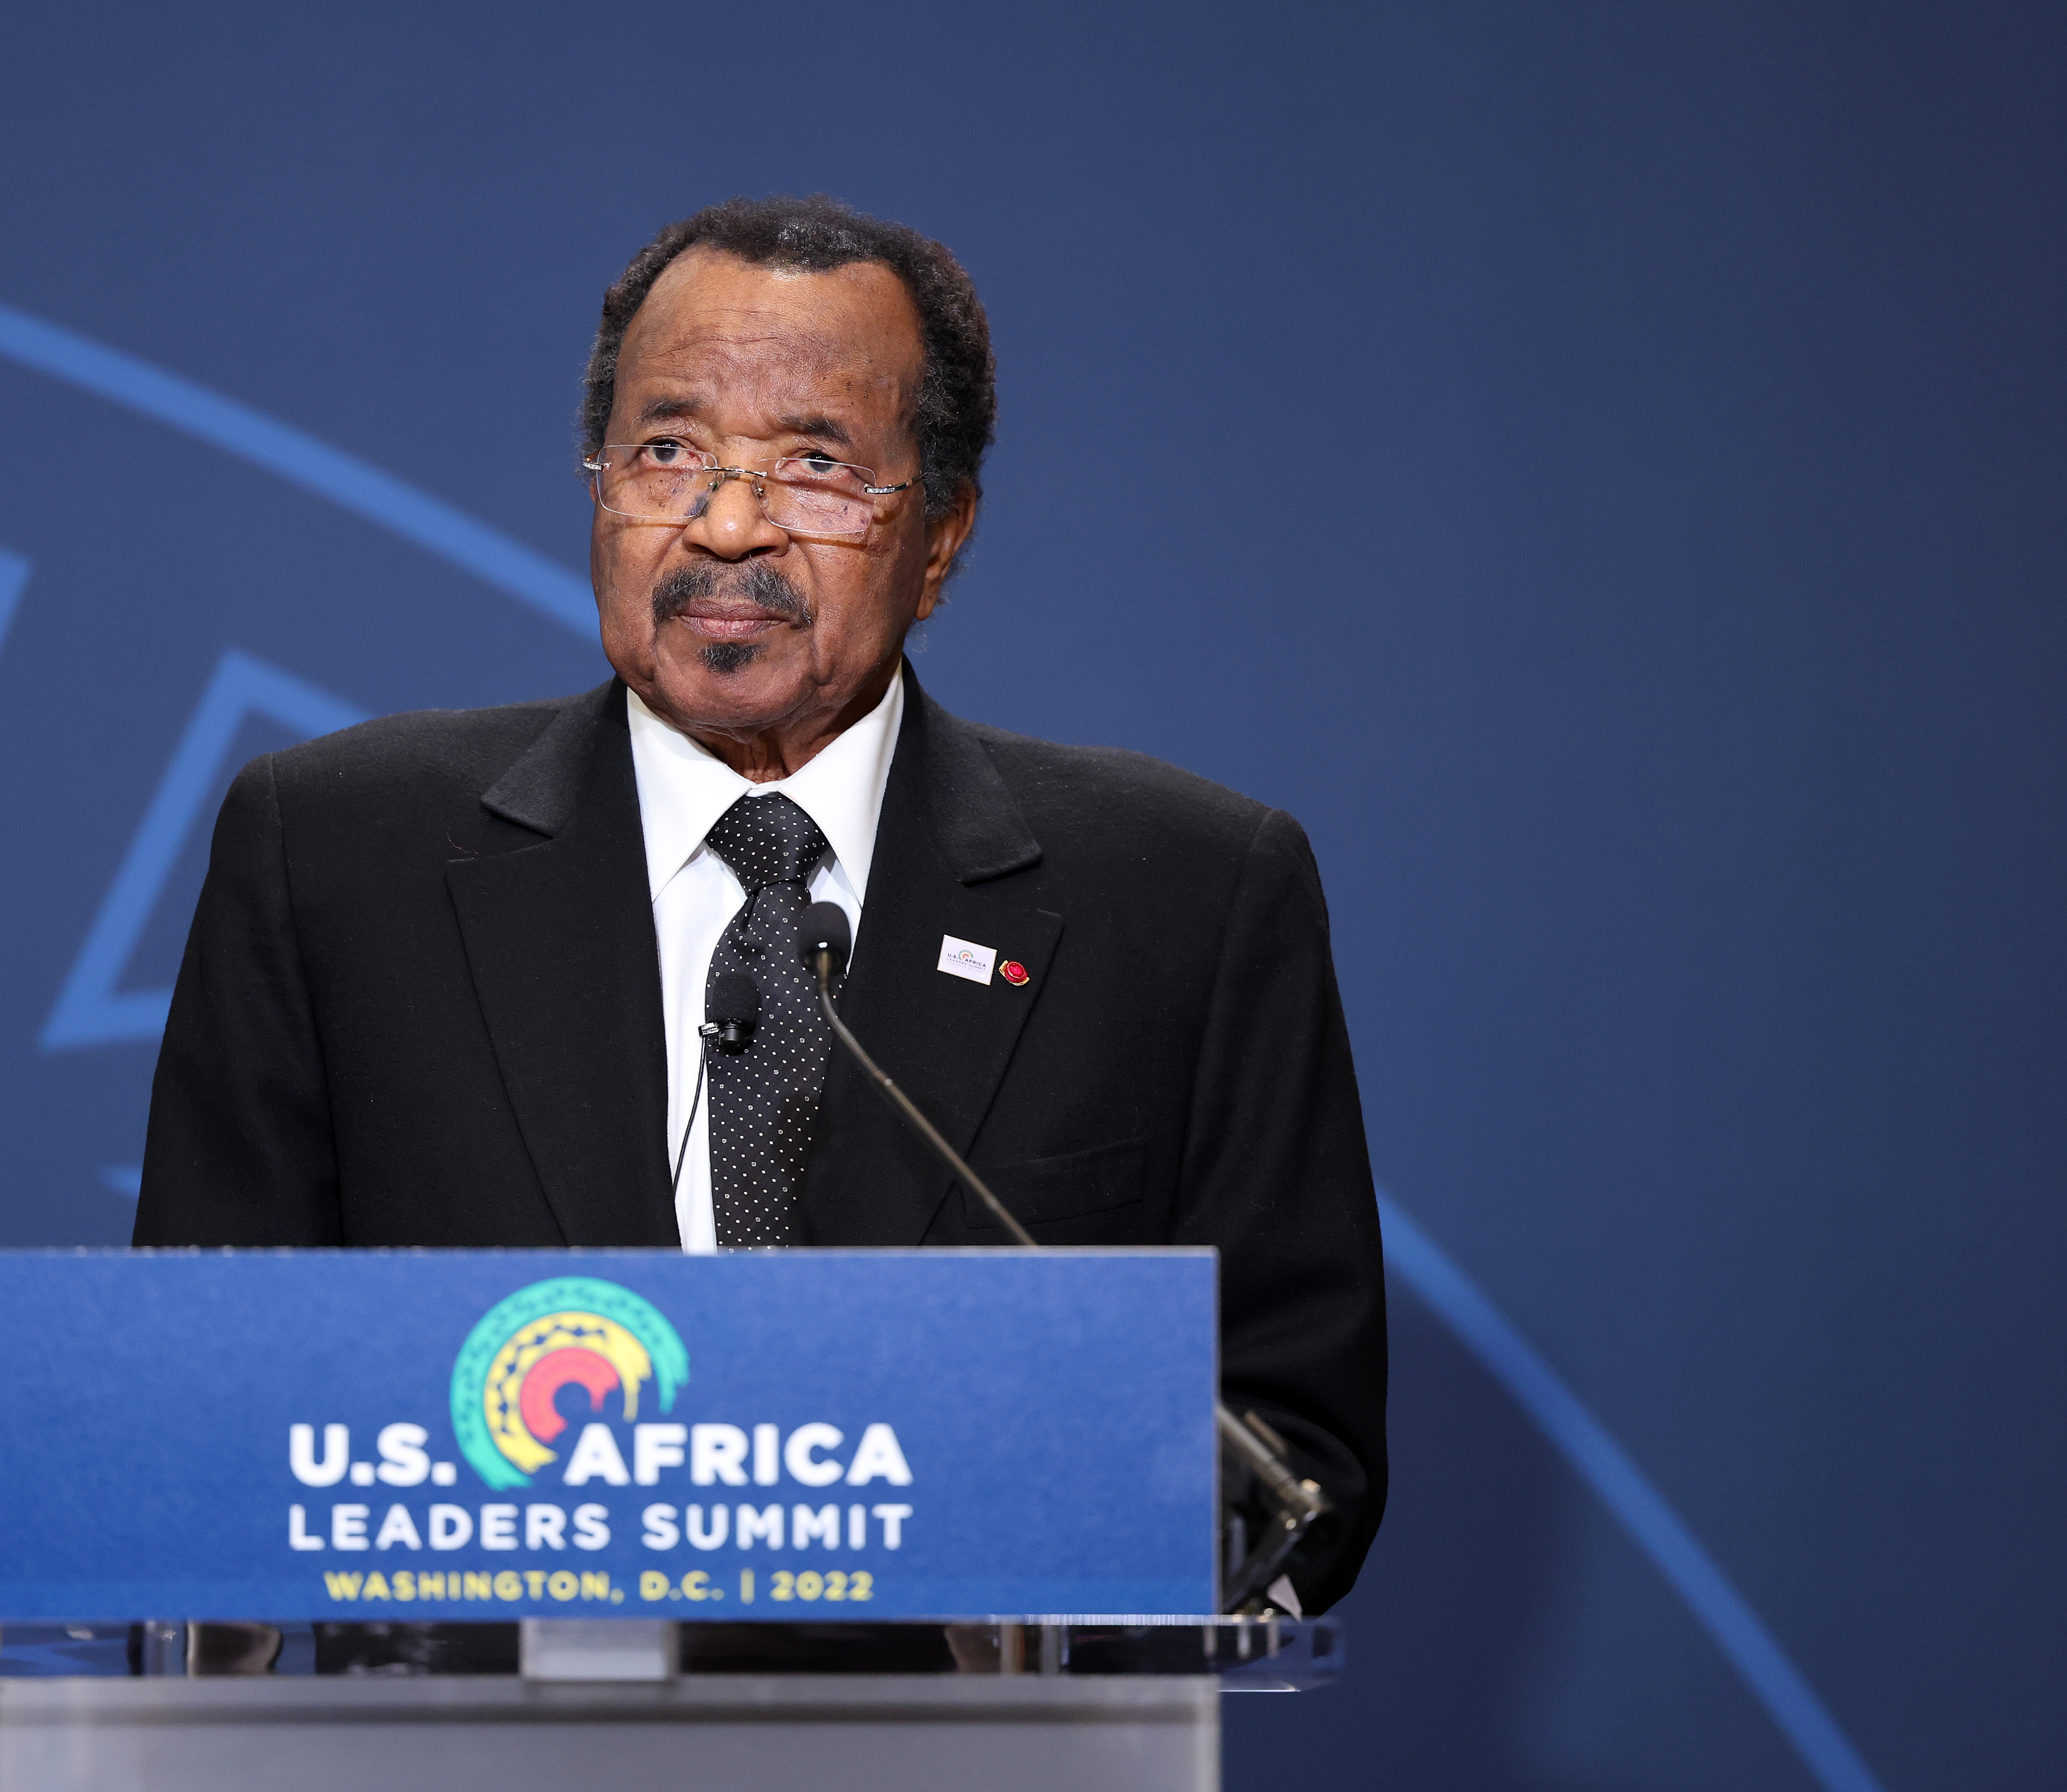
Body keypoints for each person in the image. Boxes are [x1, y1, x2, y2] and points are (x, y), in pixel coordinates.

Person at [136, 195, 1386, 1610]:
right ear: (597, 486)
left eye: (815, 465)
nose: (727, 526)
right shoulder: (338, 860)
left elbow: (1299, 1455)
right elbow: (200, 1422)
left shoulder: (1186, 897)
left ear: (943, 533)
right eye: (668, 451)